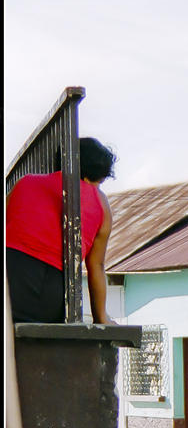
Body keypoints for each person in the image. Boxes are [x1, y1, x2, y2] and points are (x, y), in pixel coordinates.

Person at [6, 137, 117, 324]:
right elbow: (96, 266)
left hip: (9, 278)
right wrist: (101, 318)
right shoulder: (100, 202)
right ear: (92, 178)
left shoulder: (24, 183)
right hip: (50, 294)